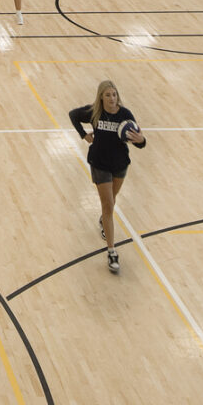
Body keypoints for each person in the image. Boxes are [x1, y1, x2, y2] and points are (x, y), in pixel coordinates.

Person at [69, 80, 147, 274]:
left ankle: (104, 221)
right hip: (100, 164)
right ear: (101, 97)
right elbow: (73, 115)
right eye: (108, 95)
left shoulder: (125, 115)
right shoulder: (94, 112)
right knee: (108, 205)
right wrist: (83, 135)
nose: (112, 99)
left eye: (114, 94)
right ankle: (112, 251)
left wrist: (142, 140)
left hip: (120, 165)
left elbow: (139, 141)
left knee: (111, 202)